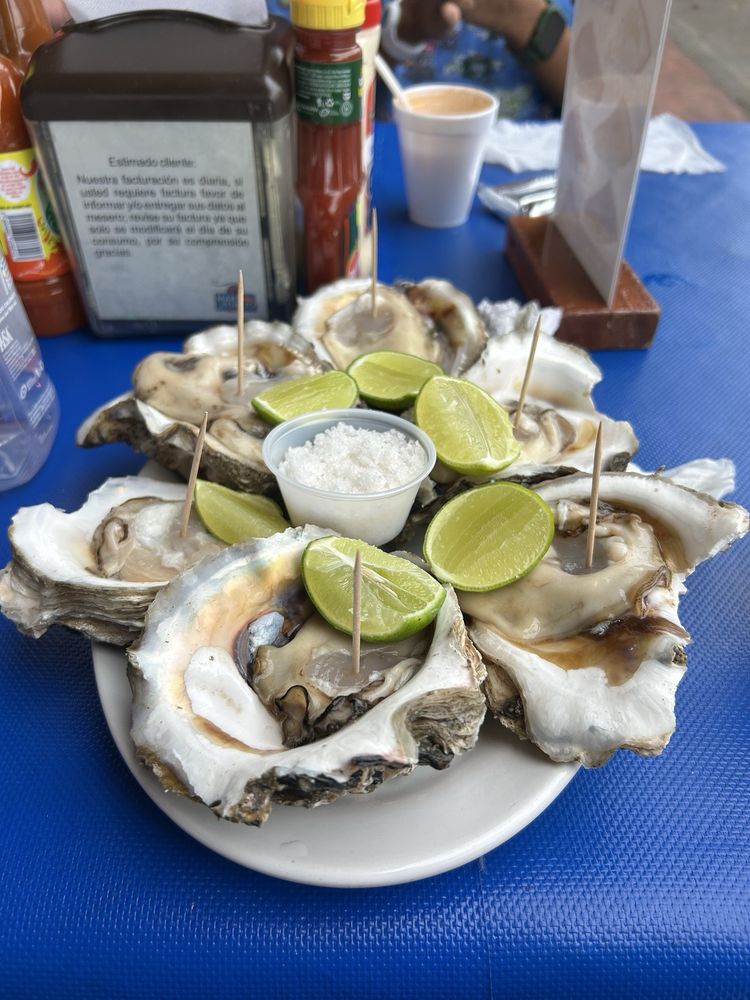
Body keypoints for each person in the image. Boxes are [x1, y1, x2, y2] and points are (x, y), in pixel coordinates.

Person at [382, 0, 572, 119]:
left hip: (534, 161)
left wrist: (529, 21)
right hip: (399, 151)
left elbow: (592, 101)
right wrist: (405, 28)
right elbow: (354, 87)